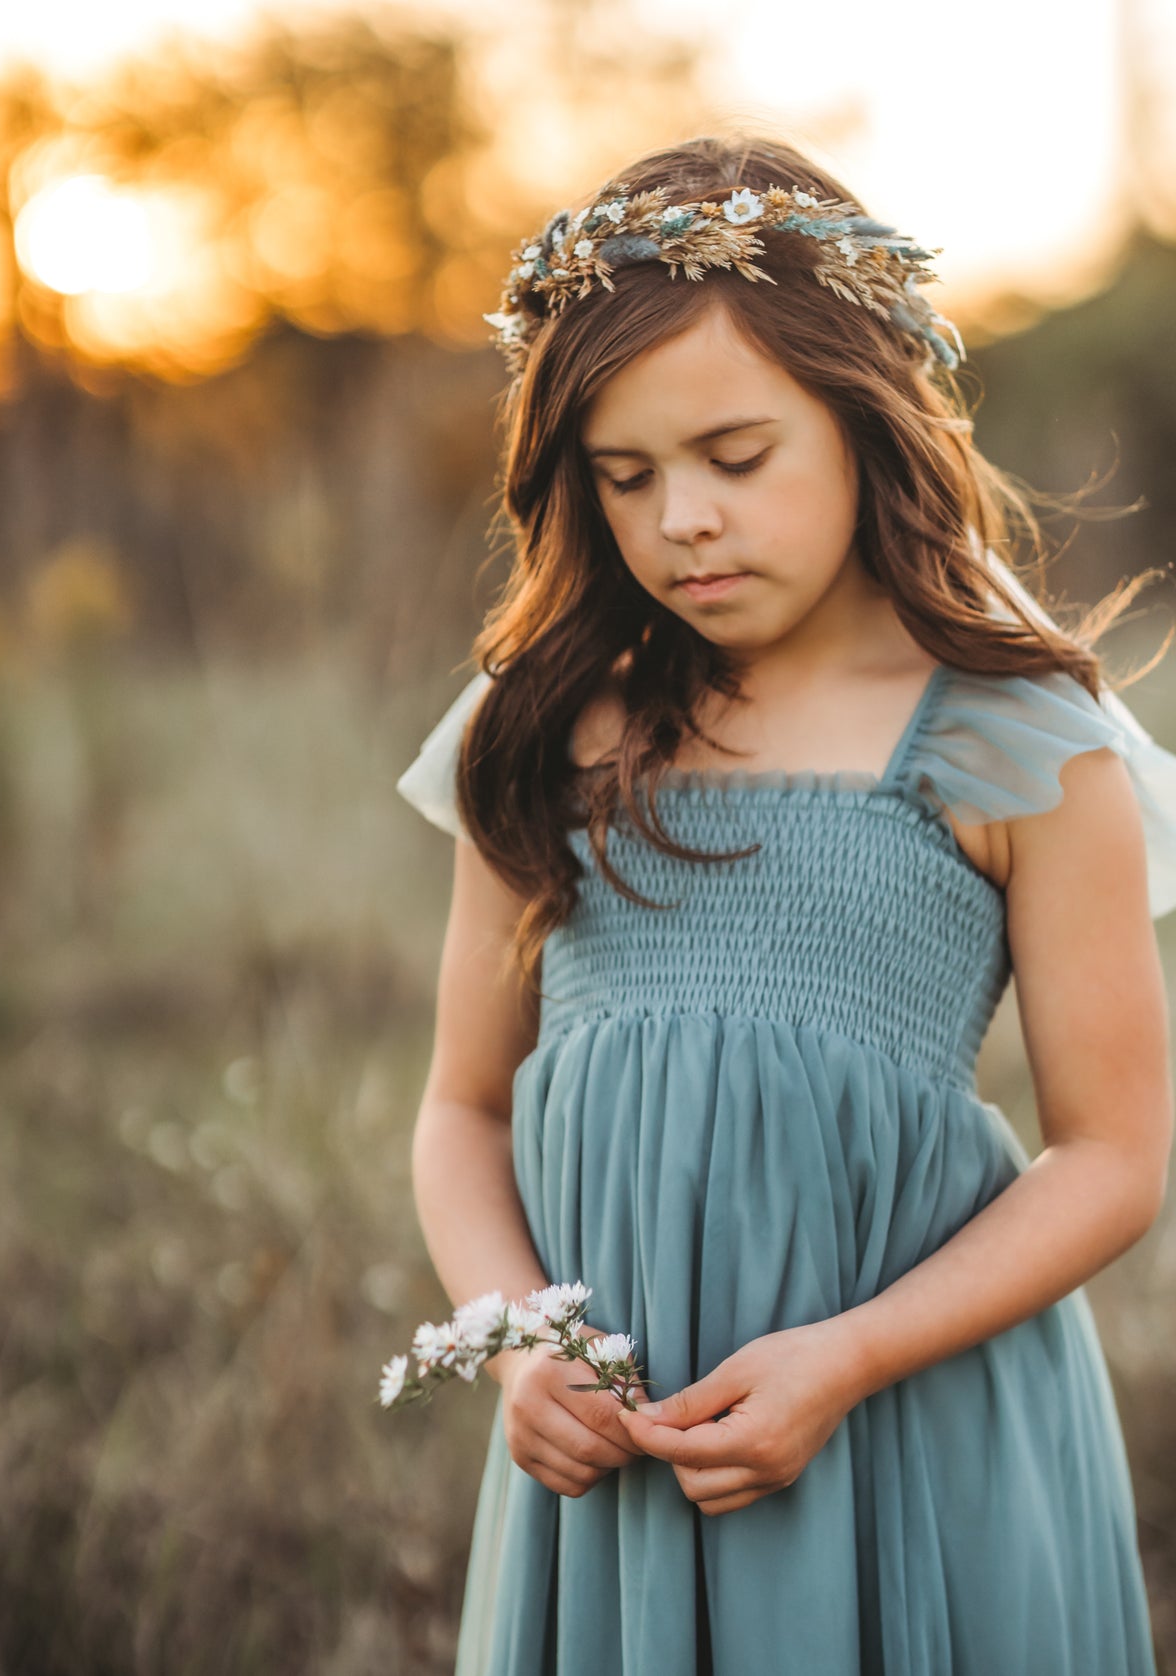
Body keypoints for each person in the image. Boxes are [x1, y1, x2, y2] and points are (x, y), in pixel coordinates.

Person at [394, 132, 1176, 1675]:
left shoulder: (1014, 740)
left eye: (736, 459)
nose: (683, 516)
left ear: (865, 424)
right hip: (620, 1479)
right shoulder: (546, 731)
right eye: (628, 477)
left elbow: (1115, 1156)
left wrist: (849, 1356)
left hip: (904, 1440)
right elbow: (459, 1112)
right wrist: (512, 1340)